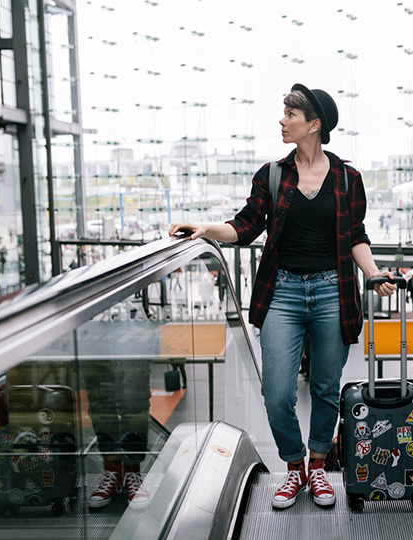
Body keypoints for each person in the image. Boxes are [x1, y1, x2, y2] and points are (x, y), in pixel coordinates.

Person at [168, 84, 396, 510]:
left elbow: (355, 236)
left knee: (327, 388)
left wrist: (373, 273)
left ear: (314, 124)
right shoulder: (272, 174)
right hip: (284, 292)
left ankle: (317, 467)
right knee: (276, 393)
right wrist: (204, 229)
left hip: (333, 291)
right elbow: (245, 226)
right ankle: (293, 468)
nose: (282, 119)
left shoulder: (349, 179)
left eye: (290, 113)